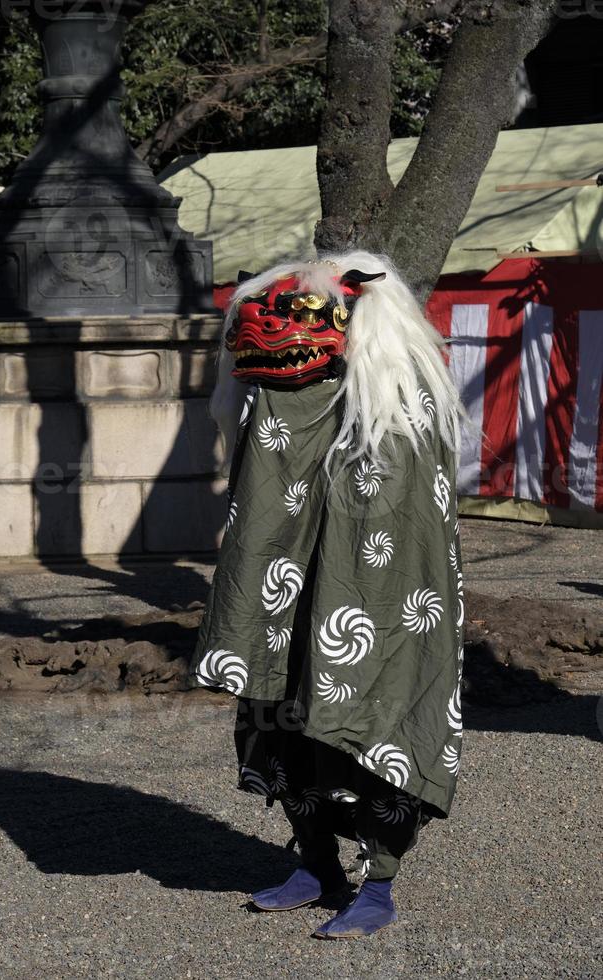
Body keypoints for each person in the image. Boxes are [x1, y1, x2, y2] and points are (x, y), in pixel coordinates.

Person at [189, 250, 465, 939]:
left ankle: (379, 880)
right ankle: (316, 863)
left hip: (382, 599)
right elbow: (258, 492)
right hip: (289, 590)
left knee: (375, 707)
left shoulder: (403, 399)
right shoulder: (279, 389)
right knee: (279, 707)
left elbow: (409, 515)